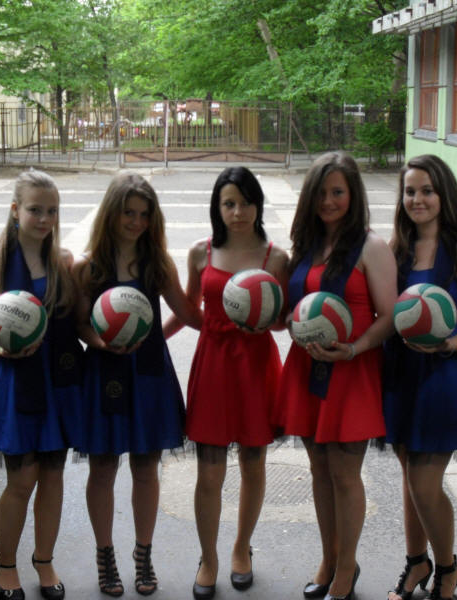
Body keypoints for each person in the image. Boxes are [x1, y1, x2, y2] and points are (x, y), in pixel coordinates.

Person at [72, 172, 202, 597]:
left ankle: (143, 554)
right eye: (128, 213)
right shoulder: (89, 266)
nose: (136, 222)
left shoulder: (158, 264)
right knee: (103, 468)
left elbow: (187, 313)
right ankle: (105, 555)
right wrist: (102, 342)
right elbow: (79, 323)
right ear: (111, 213)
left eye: (145, 215)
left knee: (146, 468)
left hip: (148, 374)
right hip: (104, 372)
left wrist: (234, 323)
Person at [163, 166, 289, 600]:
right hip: (214, 364)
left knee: (253, 462)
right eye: (229, 203)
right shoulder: (200, 252)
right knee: (209, 469)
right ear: (217, 207)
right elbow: (189, 310)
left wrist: (270, 322)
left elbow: (281, 321)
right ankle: (208, 558)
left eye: (246, 202)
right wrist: (152, 339)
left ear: (258, 205)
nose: (238, 212)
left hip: (256, 366)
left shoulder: (276, 258)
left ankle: (241, 548)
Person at [278, 152, 396, 600]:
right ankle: (329, 559)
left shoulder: (371, 247)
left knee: (345, 474)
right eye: (321, 193)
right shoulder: (306, 246)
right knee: (319, 471)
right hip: (307, 368)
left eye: (338, 192)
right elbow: (294, 308)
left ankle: (346, 568)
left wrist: (354, 348)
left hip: (352, 370)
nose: (328, 201)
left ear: (353, 195)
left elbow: (391, 316)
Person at [0, 169, 82, 600]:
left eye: (52, 210)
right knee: (21, 479)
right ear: (15, 210)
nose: (45, 219)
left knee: (52, 476)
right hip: (15, 381)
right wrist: (0, 346)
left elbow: (80, 320)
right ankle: (6, 563)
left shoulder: (64, 263)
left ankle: (44, 560)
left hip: (59, 382)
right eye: (36, 210)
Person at [383, 155, 457, 600]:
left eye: (427, 190)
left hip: (442, 377)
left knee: (425, 483)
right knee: (410, 478)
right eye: (410, 191)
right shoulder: (396, 250)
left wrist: (446, 345)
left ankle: (447, 567)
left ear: (444, 195)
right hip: (400, 372)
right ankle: (416, 562)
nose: (418, 199)